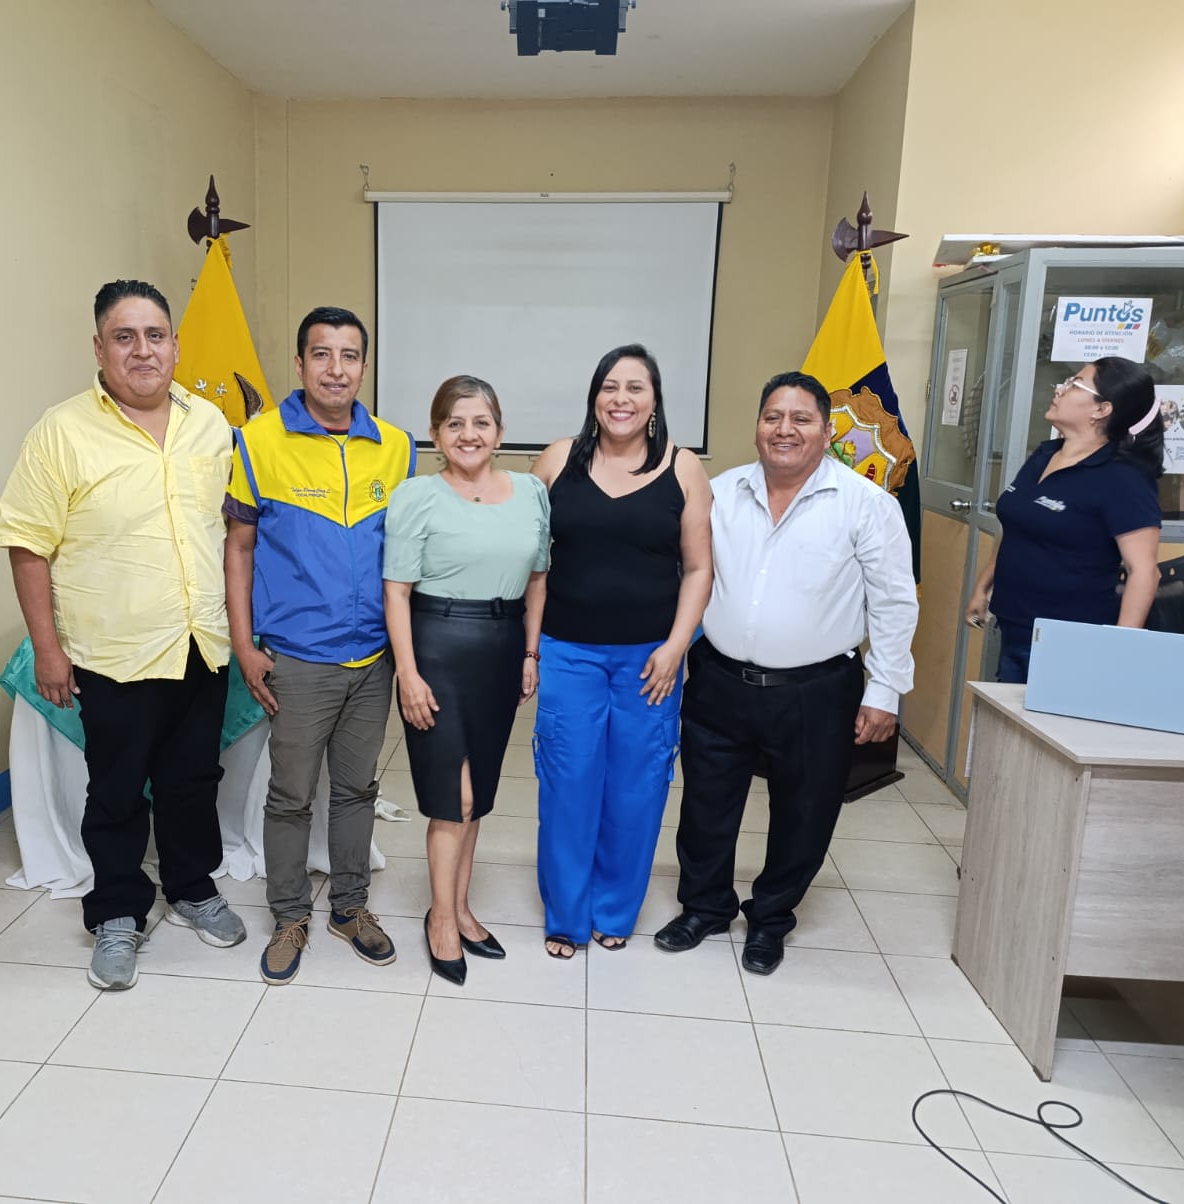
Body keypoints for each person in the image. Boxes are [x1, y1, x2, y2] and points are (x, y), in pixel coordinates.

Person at [0, 279, 246, 992]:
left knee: (193, 781)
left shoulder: (209, 425)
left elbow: (233, 533)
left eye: (155, 335)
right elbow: (26, 544)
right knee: (115, 791)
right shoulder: (61, 431)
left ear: (175, 345)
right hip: (112, 653)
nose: (143, 350)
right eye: (124, 337)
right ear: (99, 348)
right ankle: (116, 912)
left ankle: (192, 886)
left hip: (199, 644)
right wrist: (48, 650)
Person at [655, 371, 918, 975]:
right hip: (720, 680)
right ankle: (705, 907)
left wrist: (885, 691)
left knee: (805, 813)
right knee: (706, 806)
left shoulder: (866, 504)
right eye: (773, 416)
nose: (785, 429)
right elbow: (687, 572)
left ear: (826, 431)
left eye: (801, 419)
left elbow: (894, 603)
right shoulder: (720, 493)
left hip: (816, 690)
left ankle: (771, 919)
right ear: (757, 427)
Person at [224, 305, 416, 986]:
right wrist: (244, 644)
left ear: (364, 365)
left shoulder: (396, 447)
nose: (336, 369)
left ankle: (350, 908)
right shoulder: (259, 441)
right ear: (301, 363)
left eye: (349, 355)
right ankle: (289, 916)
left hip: (372, 660)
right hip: (298, 658)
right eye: (322, 354)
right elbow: (239, 548)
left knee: (357, 790)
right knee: (291, 795)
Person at [530, 345, 713, 959]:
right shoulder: (557, 460)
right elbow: (531, 560)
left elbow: (699, 569)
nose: (621, 399)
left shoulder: (683, 468)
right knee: (568, 784)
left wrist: (676, 646)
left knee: (636, 790)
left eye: (636, 387)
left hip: (649, 662)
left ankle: (614, 910)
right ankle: (566, 915)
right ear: (594, 397)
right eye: (610, 386)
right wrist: (528, 650)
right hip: (568, 653)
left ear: (655, 401)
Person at [382, 376, 549, 986]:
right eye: (454, 423)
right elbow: (396, 592)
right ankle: (441, 920)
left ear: (500, 432)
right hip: (438, 649)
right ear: (435, 434)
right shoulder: (417, 496)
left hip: (501, 650)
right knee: (452, 799)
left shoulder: (531, 492)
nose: (468, 434)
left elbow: (538, 579)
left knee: (477, 794)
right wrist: (407, 672)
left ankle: (459, 907)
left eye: (481, 423)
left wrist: (530, 652)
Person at [965, 358, 1162, 684]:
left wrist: (1120, 647)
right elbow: (1016, 528)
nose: (1060, 389)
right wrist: (982, 587)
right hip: (1015, 626)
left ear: (1102, 409)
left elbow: (1144, 571)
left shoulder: (1123, 478)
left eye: (1074, 385)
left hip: (1071, 641)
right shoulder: (1044, 454)